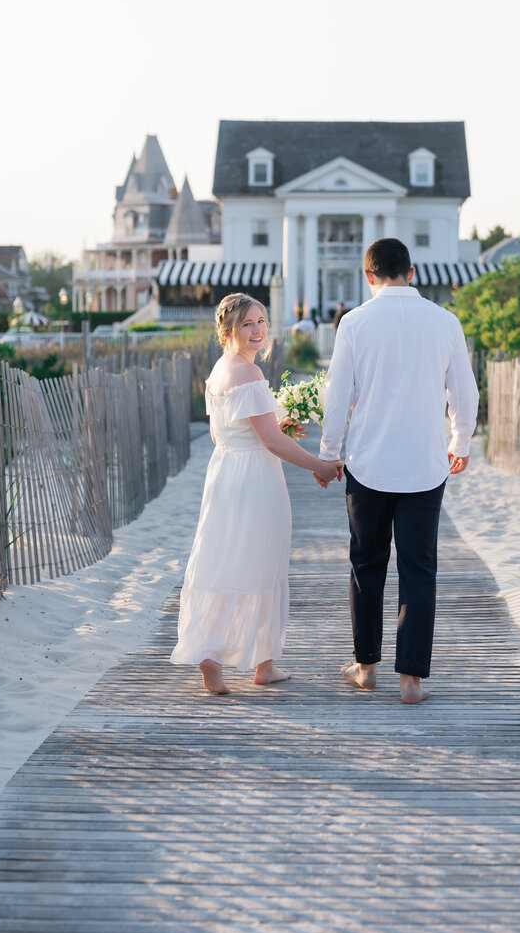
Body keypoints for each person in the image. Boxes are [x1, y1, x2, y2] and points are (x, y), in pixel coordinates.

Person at [318, 238, 478, 705]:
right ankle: (410, 680)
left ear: (369, 277)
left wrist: (329, 452)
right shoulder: (446, 322)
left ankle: (366, 667)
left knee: (367, 565)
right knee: (419, 568)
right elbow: (463, 394)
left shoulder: (354, 322)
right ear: (411, 272)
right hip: (427, 464)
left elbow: (337, 392)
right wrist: (460, 442)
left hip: (368, 464)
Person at [170, 293, 343, 694]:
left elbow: (220, 433)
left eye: (262, 321)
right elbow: (271, 442)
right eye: (248, 324)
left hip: (226, 472)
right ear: (228, 330)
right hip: (256, 479)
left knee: (224, 557)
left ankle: (225, 655)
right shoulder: (249, 376)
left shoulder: (219, 371)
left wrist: (274, 426)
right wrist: (318, 464)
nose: (258, 330)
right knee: (262, 560)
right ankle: (254, 663)